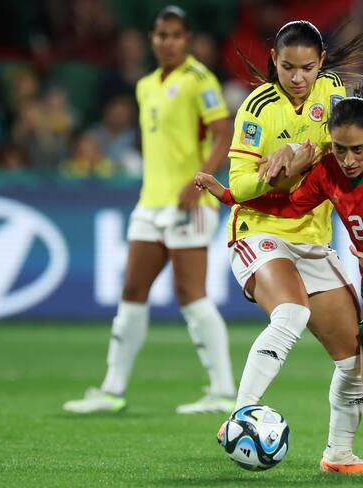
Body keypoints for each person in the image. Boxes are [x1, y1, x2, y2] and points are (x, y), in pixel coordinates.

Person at [197, 79, 363, 473]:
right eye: (340, 149)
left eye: (358, 149)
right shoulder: (327, 172)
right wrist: (227, 196)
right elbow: (288, 207)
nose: (349, 159)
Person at [215, 20, 363, 474]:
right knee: (292, 313)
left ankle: (339, 455)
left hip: (312, 241)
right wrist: (274, 173)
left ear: (321, 64)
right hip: (260, 231)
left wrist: (317, 149)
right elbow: (238, 183)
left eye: (306, 68)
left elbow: (349, 149)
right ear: (274, 62)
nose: (297, 78)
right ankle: (239, 415)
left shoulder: (333, 94)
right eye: (287, 67)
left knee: (354, 357)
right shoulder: (258, 107)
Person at [63, 6, 236, 415]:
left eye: (176, 35)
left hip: (189, 202)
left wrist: (200, 181)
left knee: (190, 294)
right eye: (161, 35)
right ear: (152, 39)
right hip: (150, 203)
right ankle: (112, 389)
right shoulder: (144, 86)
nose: (168, 42)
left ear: (187, 39)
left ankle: (223, 390)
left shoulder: (200, 79)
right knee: (131, 291)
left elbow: (224, 133)